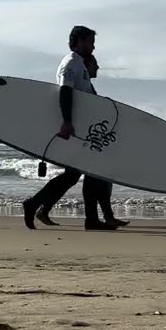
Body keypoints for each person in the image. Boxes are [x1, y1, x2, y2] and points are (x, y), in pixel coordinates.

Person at [22, 25, 115, 231]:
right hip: (74, 129)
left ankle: (35, 204)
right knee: (88, 171)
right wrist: (66, 121)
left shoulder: (81, 65)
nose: (93, 47)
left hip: (82, 130)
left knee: (73, 175)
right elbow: (65, 91)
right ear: (80, 41)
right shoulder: (71, 63)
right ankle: (90, 219)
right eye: (91, 42)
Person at [81, 53, 128, 228]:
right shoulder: (80, 81)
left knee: (103, 176)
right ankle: (92, 219)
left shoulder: (87, 85)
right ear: (86, 66)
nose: (98, 68)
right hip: (88, 137)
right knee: (94, 176)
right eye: (95, 64)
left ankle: (106, 216)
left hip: (93, 135)